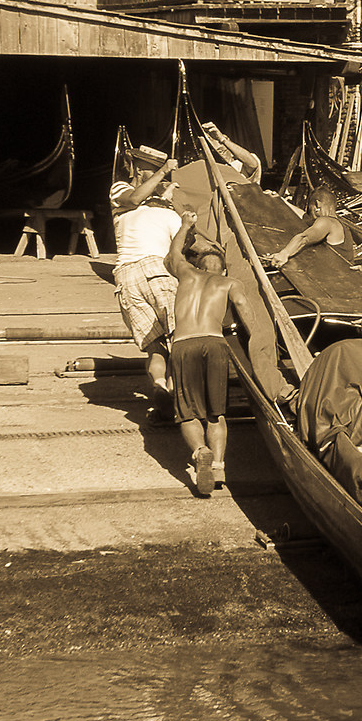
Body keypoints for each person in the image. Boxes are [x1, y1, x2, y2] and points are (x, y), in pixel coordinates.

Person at [163, 217, 235, 496]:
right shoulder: (229, 282)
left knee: (188, 413)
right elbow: (246, 314)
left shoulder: (187, 274)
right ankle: (218, 467)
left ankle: (199, 452)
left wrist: (184, 225)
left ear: (198, 266)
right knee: (216, 414)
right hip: (215, 343)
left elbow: (174, 254)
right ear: (223, 268)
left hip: (183, 344)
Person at [110, 149, 183, 422]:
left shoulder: (145, 211)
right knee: (179, 340)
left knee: (156, 348)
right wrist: (164, 171)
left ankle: (161, 387)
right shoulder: (121, 190)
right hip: (157, 271)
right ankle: (177, 394)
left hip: (126, 277)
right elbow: (136, 197)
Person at [264, 183, 357, 271]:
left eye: (310, 209)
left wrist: (284, 253)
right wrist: (280, 200)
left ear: (317, 205)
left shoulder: (326, 221)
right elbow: (303, 217)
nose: (311, 216)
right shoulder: (339, 225)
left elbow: (304, 238)